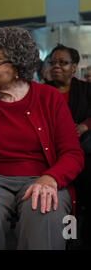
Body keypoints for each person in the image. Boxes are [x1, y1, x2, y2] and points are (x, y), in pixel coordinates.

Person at [0, 27, 84, 250]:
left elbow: (72, 153)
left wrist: (51, 178)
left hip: (42, 177)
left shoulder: (49, 98)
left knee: (44, 211)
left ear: (18, 65)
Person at [47, 44, 91, 247]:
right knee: (65, 203)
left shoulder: (86, 89)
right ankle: (69, 240)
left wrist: (83, 126)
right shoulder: (42, 91)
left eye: (63, 63)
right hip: (54, 157)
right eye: (53, 62)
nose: (56, 66)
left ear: (74, 67)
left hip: (85, 155)